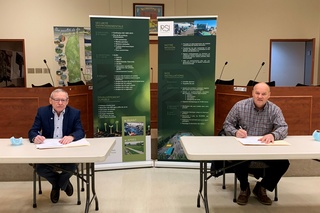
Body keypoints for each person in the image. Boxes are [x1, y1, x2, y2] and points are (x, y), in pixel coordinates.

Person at [223, 82, 290, 206]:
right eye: (257, 93)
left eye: (263, 94)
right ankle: (244, 188)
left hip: (265, 148)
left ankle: (262, 188)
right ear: (252, 93)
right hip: (243, 147)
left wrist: (273, 135)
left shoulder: (274, 109)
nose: (260, 96)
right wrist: (236, 132)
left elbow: (283, 127)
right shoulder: (240, 106)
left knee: (283, 163)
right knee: (238, 159)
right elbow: (227, 124)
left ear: (269, 95)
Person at [28, 88, 85, 204]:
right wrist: (35, 137)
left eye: (63, 100)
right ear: (50, 100)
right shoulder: (42, 112)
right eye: (57, 100)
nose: (60, 103)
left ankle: (56, 186)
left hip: (66, 150)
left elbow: (80, 131)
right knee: (40, 169)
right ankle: (62, 183)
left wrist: (72, 137)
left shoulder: (74, 113)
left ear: (67, 101)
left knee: (71, 167)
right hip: (48, 150)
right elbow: (32, 131)